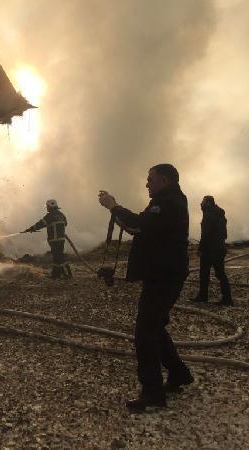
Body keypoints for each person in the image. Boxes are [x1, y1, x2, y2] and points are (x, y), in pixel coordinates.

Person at [98, 163, 193, 412]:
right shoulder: (168, 200)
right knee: (155, 327)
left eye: (150, 179)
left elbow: (138, 226)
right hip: (163, 273)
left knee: (145, 332)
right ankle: (178, 373)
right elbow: (138, 227)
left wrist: (113, 206)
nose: (146, 183)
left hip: (164, 276)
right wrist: (116, 210)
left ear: (163, 180)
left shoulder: (167, 203)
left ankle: (152, 392)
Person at [191, 196, 233, 306]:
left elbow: (205, 235)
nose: (201, 204)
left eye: (203, 202)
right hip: (220, 248)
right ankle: (227, 298)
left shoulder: (209, 215)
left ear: (208, 203)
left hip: (210, 250)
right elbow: (224, 234)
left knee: (204, 273)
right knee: (220, 274)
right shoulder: (220, 214)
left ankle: (203, 296)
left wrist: (200, 249)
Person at [23, 199, 73, 279]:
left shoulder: (49, 216)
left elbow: (41, 224)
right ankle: (57, 275)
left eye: (47, 206)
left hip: (54, 240)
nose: (47, 208)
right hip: (61, 239)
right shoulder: (61, 215)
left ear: (49, 207)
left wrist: (31, 229)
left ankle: (64, 275)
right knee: (59, 256)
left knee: (57, 257)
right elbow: (65, 223)